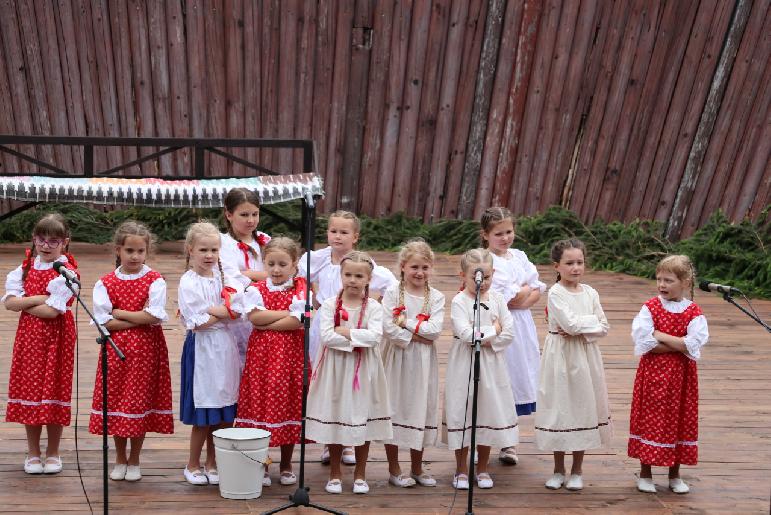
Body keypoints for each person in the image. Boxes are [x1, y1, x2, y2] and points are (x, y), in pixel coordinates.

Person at [299, 210, 397, 465]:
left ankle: (349, 444)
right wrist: (314, 299)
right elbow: (301, 280)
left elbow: (390, 285)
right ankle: (330, 437)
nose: (337, 237)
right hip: (327, 324)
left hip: (357, 320)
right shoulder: (317, 260)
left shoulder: (366, 265)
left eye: (344, 232)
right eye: (333, 231)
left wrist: (374, 302)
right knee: (329, 384)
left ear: (355, 236)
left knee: (353, 388)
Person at [88, 221, 173, 482]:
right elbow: (103, 321)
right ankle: (119, 457)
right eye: (129, 251)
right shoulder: (106, 282)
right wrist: (138, 317)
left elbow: (154, 316)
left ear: (147, 251)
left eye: (140, 251)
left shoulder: (154, 279)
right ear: (118, 250)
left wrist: (120, 313)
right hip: (115, 351)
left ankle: (134, 458)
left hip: (146, 353)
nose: (135, 256)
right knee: (117, 402)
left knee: (137, 404)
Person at [305, 251, 392, 495]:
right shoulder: (331, 304)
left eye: (358, 276)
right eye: (348, 275)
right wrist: (355, 338)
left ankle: (360, 474)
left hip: (364, 369)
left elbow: (375, 337)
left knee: (361, 417)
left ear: (368, 279)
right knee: (335, 417)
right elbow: (327, 336)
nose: (352, 280)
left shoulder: (374, 307)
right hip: (335, 369)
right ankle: (334, 473)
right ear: (341, 276)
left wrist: (346, 332)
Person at [2, 213, 78, 475]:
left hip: (58, 340)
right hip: (30, 339)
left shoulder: (67, 272)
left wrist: (26, 302)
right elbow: (10, 303)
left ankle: (53, 452)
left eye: (53, 240)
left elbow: (52, 312)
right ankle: (33, 452)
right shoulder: (24, 268)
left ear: (64, 242)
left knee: (54, 391)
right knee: (30, 391)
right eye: (41, 239)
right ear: (34, 240)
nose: (46, 245)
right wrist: (39, 298)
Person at [535, 238, 611, 491]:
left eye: (579, 262)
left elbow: (604, 326)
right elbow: (569, 325)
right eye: (569, 263)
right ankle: (558, 469)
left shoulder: (591, 293)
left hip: (585, 357)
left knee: (582, 407)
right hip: (560, 356)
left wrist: (584, 325)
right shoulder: (556, 293)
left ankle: (577, 469)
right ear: (557, 266)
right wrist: (587, 324)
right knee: (560, 409)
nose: (575, 268)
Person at [629, 255, 708, 494]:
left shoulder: (693, 311)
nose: (661, 285)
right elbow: (644, 341)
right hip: (653, 375)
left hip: (681, 379)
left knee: (679, 420)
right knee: (650, 418)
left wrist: (661, 335)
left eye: (669, 280)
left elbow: (694, 343)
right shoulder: (650, 307)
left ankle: (675, 474)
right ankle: (645, 473)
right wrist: (679, 343)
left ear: (685, 282)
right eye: (659, 279)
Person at [443, 248, 518, 491]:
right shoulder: (459, 301)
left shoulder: (497, 299)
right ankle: (461, 469)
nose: (482, 283)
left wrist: (489, 335)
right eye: (476, 277)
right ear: (462, 276)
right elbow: (466, 335)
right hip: (465, 363)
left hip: (491, 364)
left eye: (486, 277)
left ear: (493, 274)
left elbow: (509, 332)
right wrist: (493, 330)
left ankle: (483, 467)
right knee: (462, 411)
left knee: (486, 413)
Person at [235, 237, 307, 487]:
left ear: (294, 265)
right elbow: (255, 317)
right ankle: (262, 462)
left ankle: (286, 464)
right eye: (271, 263)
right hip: (262, 359)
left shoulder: (300, 287)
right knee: (260, 405)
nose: (276, 270)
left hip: (290, 358)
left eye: (282, 264)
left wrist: (270, 321)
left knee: (288, 404)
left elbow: (298, 321)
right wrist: (285, 315)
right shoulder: (257, 289)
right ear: (264, 263)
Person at [178, 221, 243, 486]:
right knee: (204, 410)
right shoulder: (188, 281)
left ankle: (214, 462)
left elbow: (239, 308)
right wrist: (224, 312)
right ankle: (193, 464)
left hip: (225, 348)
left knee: (225, 409)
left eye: (214, 250)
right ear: (190, 250)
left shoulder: (224, 278)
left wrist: (216, 310)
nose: (209, 255)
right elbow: (197, 320)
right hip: (203, 348)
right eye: (203, 249)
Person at [480, 207, 545, 465]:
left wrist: (525, 293)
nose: (505, 238)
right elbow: (509, 297)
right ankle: (483, 438)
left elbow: (536, 290)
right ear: (485, 235)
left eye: (509, 232)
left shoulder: (519, 256)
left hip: (521, 325)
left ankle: (509, 443)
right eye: (499, 233)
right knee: (497, 378)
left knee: (516, 377)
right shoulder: (486, 261)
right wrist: (523, 291)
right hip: (497, 324)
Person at [381, 239, 445, 488]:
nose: (419, 273)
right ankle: (394, 468)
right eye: (414, 267)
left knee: (419, 407)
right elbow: (387, 327)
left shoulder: (436, 297)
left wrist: (405, 322)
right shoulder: (392, 294)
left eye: (425, 268)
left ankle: (417, 467)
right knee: (395, 406)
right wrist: (415, 335)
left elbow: (435, 331)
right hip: (396, 358)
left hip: (423, 362)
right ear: (403, 267)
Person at [219, 187, 271, 366]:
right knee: (238, 360)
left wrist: (249, 274)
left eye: (255, 214)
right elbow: (231, 276)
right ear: (229, 214)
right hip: (238, 309)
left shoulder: (264, 241)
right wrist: (261, 278)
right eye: (244, 215)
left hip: (265, 307)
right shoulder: (223, 244)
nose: (251, 220)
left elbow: (278, 275)